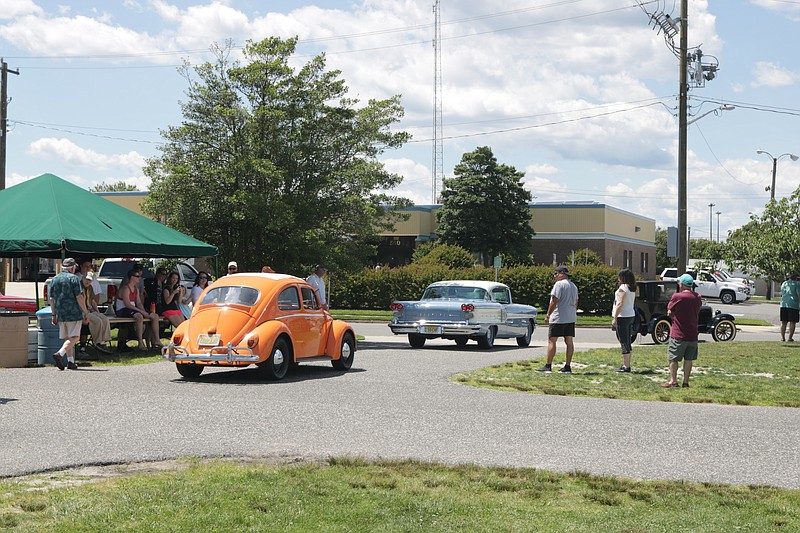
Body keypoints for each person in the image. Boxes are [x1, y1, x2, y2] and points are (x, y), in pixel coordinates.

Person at [661, 273, 703, 388]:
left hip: (678, 333)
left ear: (682, 284)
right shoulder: (697, 297)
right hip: (693, 334)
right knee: (689, 359)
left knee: (673, 358)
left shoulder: (677, 297)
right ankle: (686, 382)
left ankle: (673, 381)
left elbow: (669, 310)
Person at [48, 257, 90, 370]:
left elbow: (51, 299)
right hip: (74, 312)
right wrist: (86, 312)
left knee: (67, 338)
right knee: (75, 337)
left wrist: (53, 314)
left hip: (60, 313)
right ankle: (60, 354)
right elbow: (79, 297)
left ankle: (71, 362)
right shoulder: (74, 279)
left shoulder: (54, 279)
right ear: (72, 268)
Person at [536, 265, 579, 374]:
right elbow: (576, 302)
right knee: (569, 341)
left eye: (556, 273)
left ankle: (548, 365)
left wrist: (548, 315)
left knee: (552, 340)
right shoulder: (573, 286)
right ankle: (568, 366)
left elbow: (554, 301)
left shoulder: (559, 285)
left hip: (559, 317)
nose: (555, 276)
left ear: (562, 274)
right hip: (570, 317)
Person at [115, 268, 163, 351]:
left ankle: (157, 340)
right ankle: (140, 343)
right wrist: (142, 312)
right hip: (123, 309)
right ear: (131, 277)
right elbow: (127, 304)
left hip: (132, 309)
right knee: (139, 316)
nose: (139, 278)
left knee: (155, 316)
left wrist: (145, 311)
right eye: (137, 276)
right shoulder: (125, 289)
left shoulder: (136, 289)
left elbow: (139, 303)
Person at [80, 271, 112, 354]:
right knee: (97, 321)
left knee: (104, 319)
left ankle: (103, 342)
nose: (87, 282)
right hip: (81, 311)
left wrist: (98, 312)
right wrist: (86, 312)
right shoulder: (78, 287)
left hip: (89, 309)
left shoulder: (90, 288)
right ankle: (97, 342)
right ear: (82, 278)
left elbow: (92, 301)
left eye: (89, 280)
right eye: (86, 279)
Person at [612, 268, 637, 373]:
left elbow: (620, 303)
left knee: (623, 341)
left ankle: (626, 366)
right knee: (627, 339)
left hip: (623, 316)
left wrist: (615, 317)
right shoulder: (632, 288)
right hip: (630, 315)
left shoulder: (623, 287)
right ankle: (627, 364)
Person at [779, 272, 799, 342]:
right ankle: (790, 338)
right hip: (793, 304)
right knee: (792, 322)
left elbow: (782, 292)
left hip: (784, 304)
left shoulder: (784, 283)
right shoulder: (796, 284)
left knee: (784, 322)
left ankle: (782, 337)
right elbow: (798, 294)